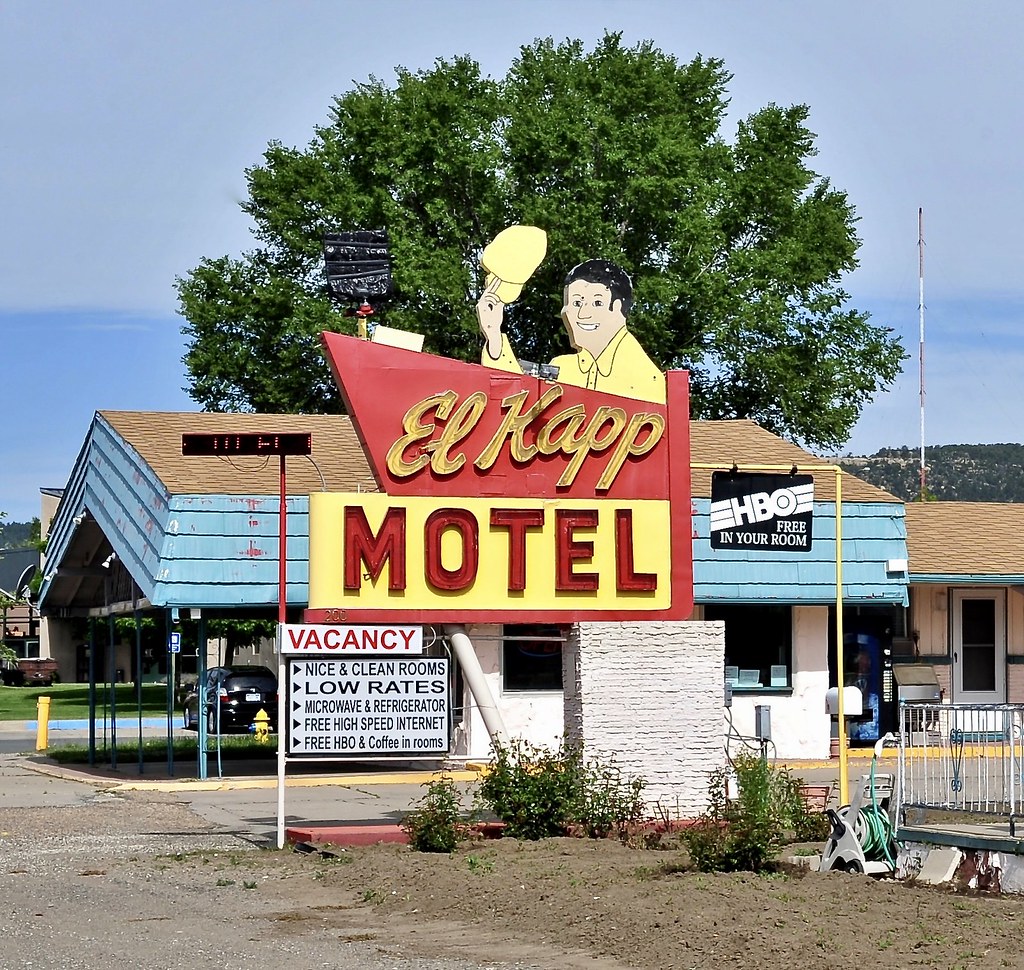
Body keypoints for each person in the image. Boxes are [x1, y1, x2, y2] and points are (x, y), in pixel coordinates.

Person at [477, 258, 666, 405]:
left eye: (597, 303)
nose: (583, 313)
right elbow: (514, 401)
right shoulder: (562, 369)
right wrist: (493, 335)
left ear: (617, 307)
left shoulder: (645, 376)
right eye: (576, 303)